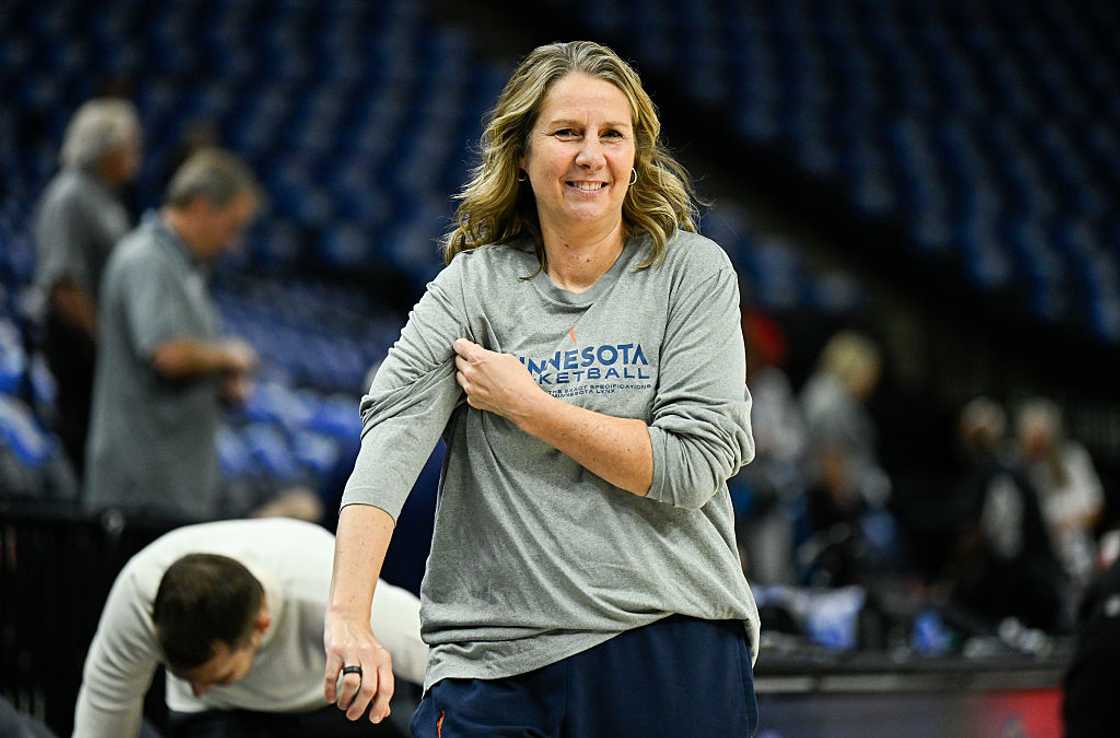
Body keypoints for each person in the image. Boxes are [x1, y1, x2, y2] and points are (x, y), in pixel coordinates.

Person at [324, 41, 759, 737]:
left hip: (667, 639)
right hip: (493, 660)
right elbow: (389, 446)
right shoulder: (472, 285)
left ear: (636, 156)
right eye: (566, 133)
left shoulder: (692, 272)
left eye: (611, 134)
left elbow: (689, 465)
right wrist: (349, 615)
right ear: (522, 154)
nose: (591, 156)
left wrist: (530, 406)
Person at [84, 148, 311, 521]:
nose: (232, 243)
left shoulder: (184, 267)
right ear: (202, 207)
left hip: (174, 484)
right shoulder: (148, 258)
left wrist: (220, 381)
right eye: (231, 226)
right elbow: (165, 353)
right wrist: (228, 356)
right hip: (142, 488)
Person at [74, 518, 427, 738]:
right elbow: (107, 706)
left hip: (329, 708)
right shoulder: (140, 594)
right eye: (186, 678)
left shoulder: (327, 586)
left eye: (218, 676)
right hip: (217, 719)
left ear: (260, 626)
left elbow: (438, 652)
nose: (198, 689)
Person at [33, 98, 141, 479]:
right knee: (83, 444)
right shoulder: (71, 195)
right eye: (129, 143)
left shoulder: (106, 198)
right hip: (78, 344)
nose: (137, 152)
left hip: (96, 343)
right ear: (106, 148)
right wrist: (105, 342)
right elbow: (64, 285)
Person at [947, 398, 1065, 631]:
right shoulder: (987, 469)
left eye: (982, 435)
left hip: (1024, 586)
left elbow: (1006, 543)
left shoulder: (1003, 474)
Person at [1016, 398, 1104, 593]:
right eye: (1032, 438)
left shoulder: (1073, 458)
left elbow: (1095, 507)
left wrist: (1063, 526)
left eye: (1042, 437)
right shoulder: (1017, 466)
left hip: (1074, 560)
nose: (1038, 445)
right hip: (1031, 565)